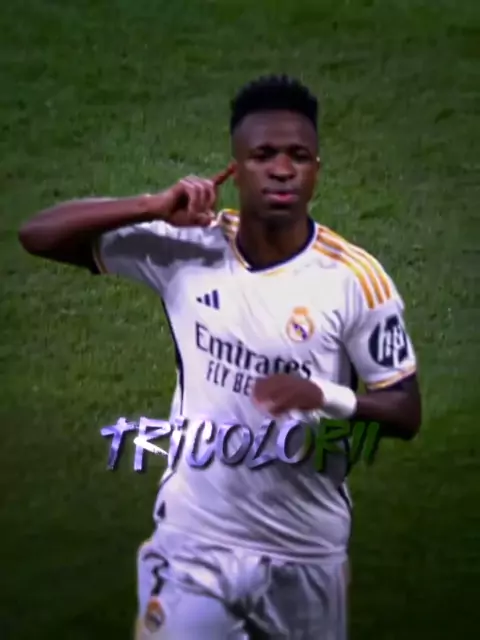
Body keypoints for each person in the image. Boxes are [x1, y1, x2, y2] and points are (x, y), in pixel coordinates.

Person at [19, 74, 422, 639]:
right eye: (263, 155)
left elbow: (404, 410)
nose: (281, 169)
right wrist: (151, 205)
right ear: (235, 168)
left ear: (316, 170)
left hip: (306, 549)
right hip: (193, 538)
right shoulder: (185, 248)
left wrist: (323, 395)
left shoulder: (355, 280)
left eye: (298, 156)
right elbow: (37, 235)